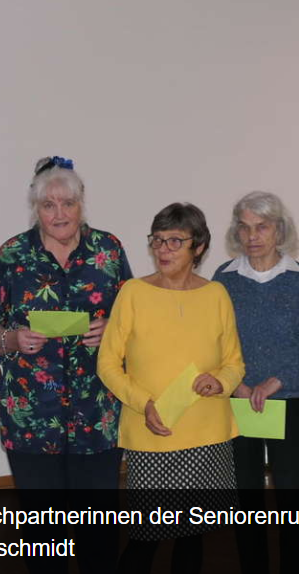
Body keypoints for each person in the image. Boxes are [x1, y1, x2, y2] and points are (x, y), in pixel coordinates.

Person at [99, 203, 245, 574]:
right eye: (158, 240)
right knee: (146, 536)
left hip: (207, 435)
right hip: (153, 433)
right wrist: (144, 403)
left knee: (192, 536)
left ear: (199, 247)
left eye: (175, 241)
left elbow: (234, 363)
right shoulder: (133, 292)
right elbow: (107, 364)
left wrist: (220, 382)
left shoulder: (216, 295)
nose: (163, 249)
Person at [0, 156, 132, 488]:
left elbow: (134, 318)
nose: (59, 214)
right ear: (36, 209)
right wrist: (12, 339)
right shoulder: (13, 253)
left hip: (98, 413)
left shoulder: (108, 250)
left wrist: (112, 327)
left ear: (82, 205)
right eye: (48, 205)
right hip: (31, 416)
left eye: (68, 203)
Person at [212, 192, 299, 574]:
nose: (252, 236)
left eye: (261, 227)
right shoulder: (224, 279)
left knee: (292, 494)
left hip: (291, 401)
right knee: (245, 494)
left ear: (279, 230)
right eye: (244, 227)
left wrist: (275, 383)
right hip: (240, 400)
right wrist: (239, 385)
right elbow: (212, 343)